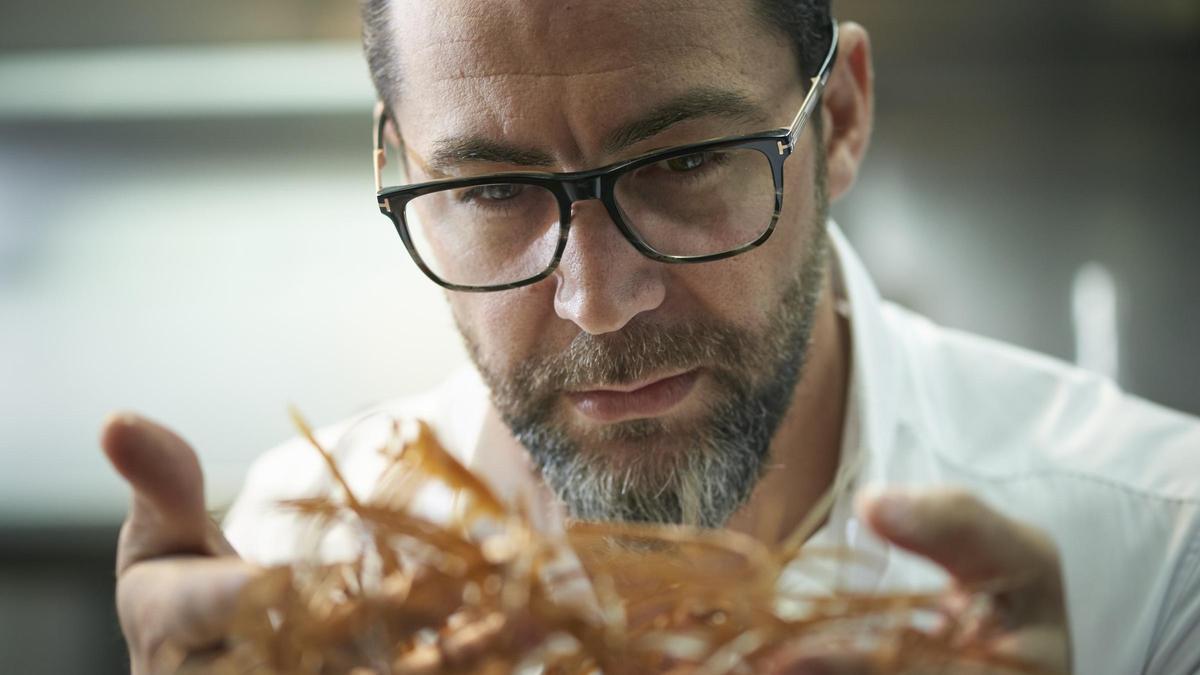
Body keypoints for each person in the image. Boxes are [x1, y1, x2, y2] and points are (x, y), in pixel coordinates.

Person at [100, 1, 1200, 673]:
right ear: (403, 168)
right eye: (490, 189)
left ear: (842, 118)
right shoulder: (302, 562)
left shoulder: (1156, 559)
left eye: (681, 163)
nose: (595, 299)